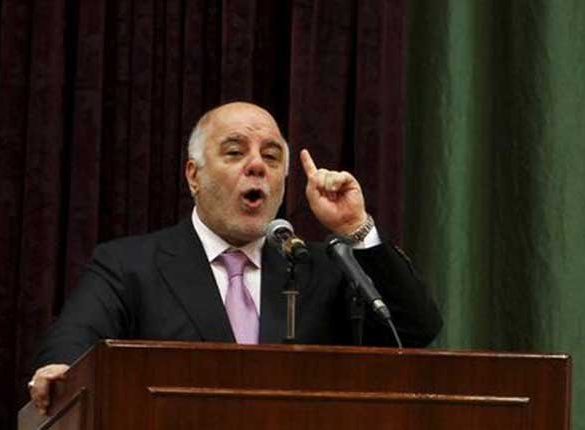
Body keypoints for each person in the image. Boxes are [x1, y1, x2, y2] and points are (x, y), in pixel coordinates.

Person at [29, 101, 441, 413]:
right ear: (194, 175)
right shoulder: (130, 265)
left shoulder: (320, 269)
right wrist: (60, 370)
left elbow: (414, 328)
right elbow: (72, 340)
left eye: (271, 157)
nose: (257, 165)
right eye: (234, 152)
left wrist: (356, 227)